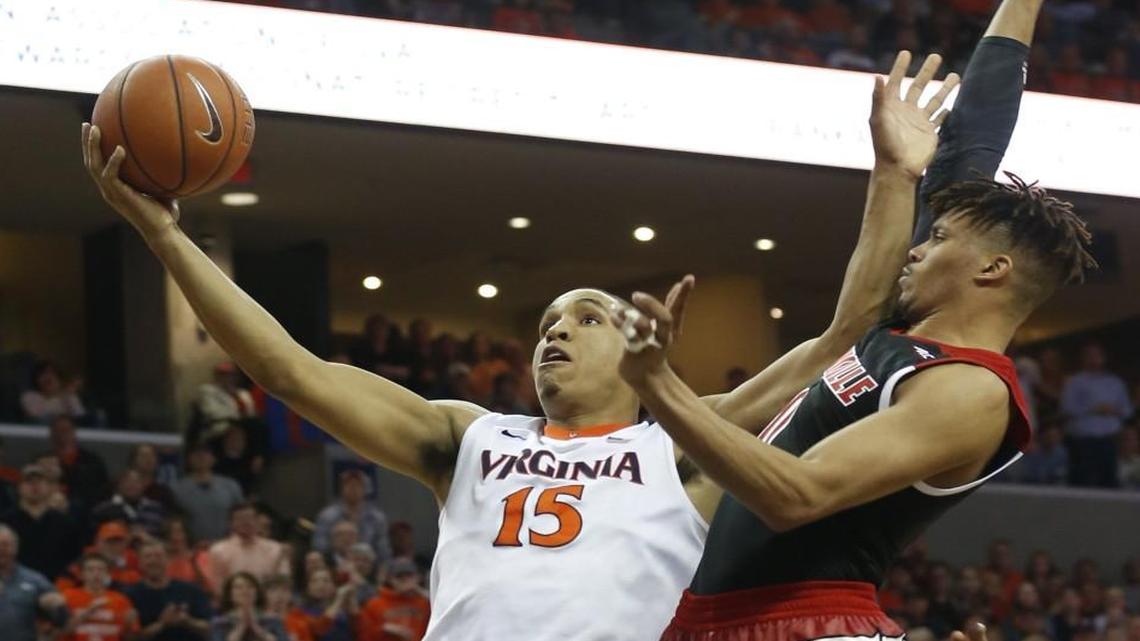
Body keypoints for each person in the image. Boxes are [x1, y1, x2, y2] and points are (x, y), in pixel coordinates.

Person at [81, 42, 955, 641]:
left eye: (586, 317)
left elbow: (848, 329)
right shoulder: (468, 436)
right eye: (545, 324)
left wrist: (894, 174)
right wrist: (164, 237)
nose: (555, 333)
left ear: (642, 350)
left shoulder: (692, 446)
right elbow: (289, 371)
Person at [608, 3, 1098, 639]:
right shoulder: (893, 330)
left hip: (809, 622)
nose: (917, 246)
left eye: (939, 236)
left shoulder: (969, 391)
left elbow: (797, 496)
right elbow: (975, 135)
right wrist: (896, 168)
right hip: (711, 617)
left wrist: (659, 384)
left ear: (992, 270)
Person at [1061, 342, 1133, 487]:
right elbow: (1067, 409)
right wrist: (1093, 409)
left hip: (1110, 441)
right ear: (1083, 359)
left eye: (1096, 355)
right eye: (1089, 355)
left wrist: (1112, 410)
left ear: (1103, 358)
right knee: (1083, 482)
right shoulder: (1075, 382)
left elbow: (1127, 411)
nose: (1093, 359)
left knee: (1109, 482)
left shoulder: (1115, 382)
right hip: (1083, 442)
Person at [0, 463, 82, 579]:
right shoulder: (5, 522)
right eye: (29, 481)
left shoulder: (65, 523)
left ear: (50, 488)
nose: (35, 485)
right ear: (19, 487)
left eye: (40, 481)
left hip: (55, 585)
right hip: (13, 584)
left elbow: (74, 558)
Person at [126, 539, 212, 641]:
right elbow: (131, 638)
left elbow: (210, 629)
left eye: (158, 556)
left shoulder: (190, 590)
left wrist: (187, 621)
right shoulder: (130, 596)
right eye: (148, 556)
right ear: (139, 563)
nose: (153, 561)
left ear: (168, 560)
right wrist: (162, 624)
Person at [0, 524, 69, 641]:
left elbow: (62, 619)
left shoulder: (34, 579)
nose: (1, 549)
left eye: (6, 545)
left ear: (16, 548)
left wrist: (55, 608)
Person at [206, 503, 291, 594]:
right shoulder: (218, 550)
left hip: (268, 602)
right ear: (231, 523)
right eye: (241, 519)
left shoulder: (275, 548)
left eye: (250, 518)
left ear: (257, 521)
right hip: (232, 604)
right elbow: (218, 586)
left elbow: (283, 580)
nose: (246, 522)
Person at [171, 441, 244, 543]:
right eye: (197, 454)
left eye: (206, 454)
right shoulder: (177, 489)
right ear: (189, 459)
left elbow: (241, 517)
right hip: (192, 548)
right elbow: (173, 521)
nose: (201, 457)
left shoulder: (230, 486)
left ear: (214, 459)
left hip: (227, 547)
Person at [312, 470, 390, 564]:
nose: (354, 489)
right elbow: (319, 546)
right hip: (335, 565)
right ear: (342, 488)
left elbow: (383, 551)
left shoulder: (377, 517)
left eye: (358, 485)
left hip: (369, 567)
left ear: (365, 489)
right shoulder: (327, 515)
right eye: (349, 485)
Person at [60, 553, 140, 641]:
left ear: (108, 574)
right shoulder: (67, 596)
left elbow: (131, 638)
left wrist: (128, 625)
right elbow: (60, 632)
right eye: (90, 570)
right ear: (81, 575)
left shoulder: (121, 600)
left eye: (101, 569)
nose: (96, 574)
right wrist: (88, 612)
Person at [46, 415, 111, 514]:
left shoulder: (93, 461)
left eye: (66, 429)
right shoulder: (43, 461)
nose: (61, 434)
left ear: (74, 432)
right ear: (51, 434)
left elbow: (104, 491)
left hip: (87, 514)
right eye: (58, 430)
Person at [357, 558, 430, 641]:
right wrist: (384, 629)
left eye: (409, 575)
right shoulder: (374, 604)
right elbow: (364, 635)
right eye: (399, 577)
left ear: (418, 577)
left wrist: (418, 590)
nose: (405, 579)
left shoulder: (425, 603)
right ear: (390, 580)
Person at [210, 573, 289, 641]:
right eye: (238, 587)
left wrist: (257, 628)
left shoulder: (273, 620)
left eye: (250, 586)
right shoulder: (220, 623)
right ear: (230, 595)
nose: (245, 590)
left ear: (257, 592)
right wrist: (241, 627)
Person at [92, 468, 168, 537]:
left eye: (136, 482)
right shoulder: (103, 510)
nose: (132, 485)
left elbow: (164, 537)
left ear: (143, 485)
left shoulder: (156, 508)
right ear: (119, 485)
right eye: (127, 481)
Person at [289, 568, 359, 641]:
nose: (320, 584)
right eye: (314, 581)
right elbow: (319, 629)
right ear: (308, 588)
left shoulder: (342, 611)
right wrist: (339, 599)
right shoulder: (300, 612)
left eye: (326, 581)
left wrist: (352, 598)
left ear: (334, 587)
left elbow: (357, 629)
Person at [21, 360, 86, 424]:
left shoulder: (69, 396)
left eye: (52, 373)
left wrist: (68, 396)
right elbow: (36, 417)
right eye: (43, 374)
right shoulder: (29, 396)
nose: (48, 377)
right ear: (36, 379)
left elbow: (80, 418)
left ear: (60, 379)